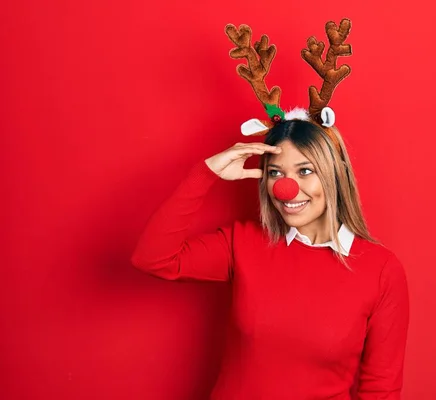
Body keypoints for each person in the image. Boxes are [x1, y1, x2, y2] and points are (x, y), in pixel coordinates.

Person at [131, 19, 409, 400]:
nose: (285, 187)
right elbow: (153, 259)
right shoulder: (243, 243)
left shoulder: (381, 271)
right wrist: (206, 173)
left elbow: (381, 389)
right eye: (275, 172)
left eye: (305, 171)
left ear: (334, 174)